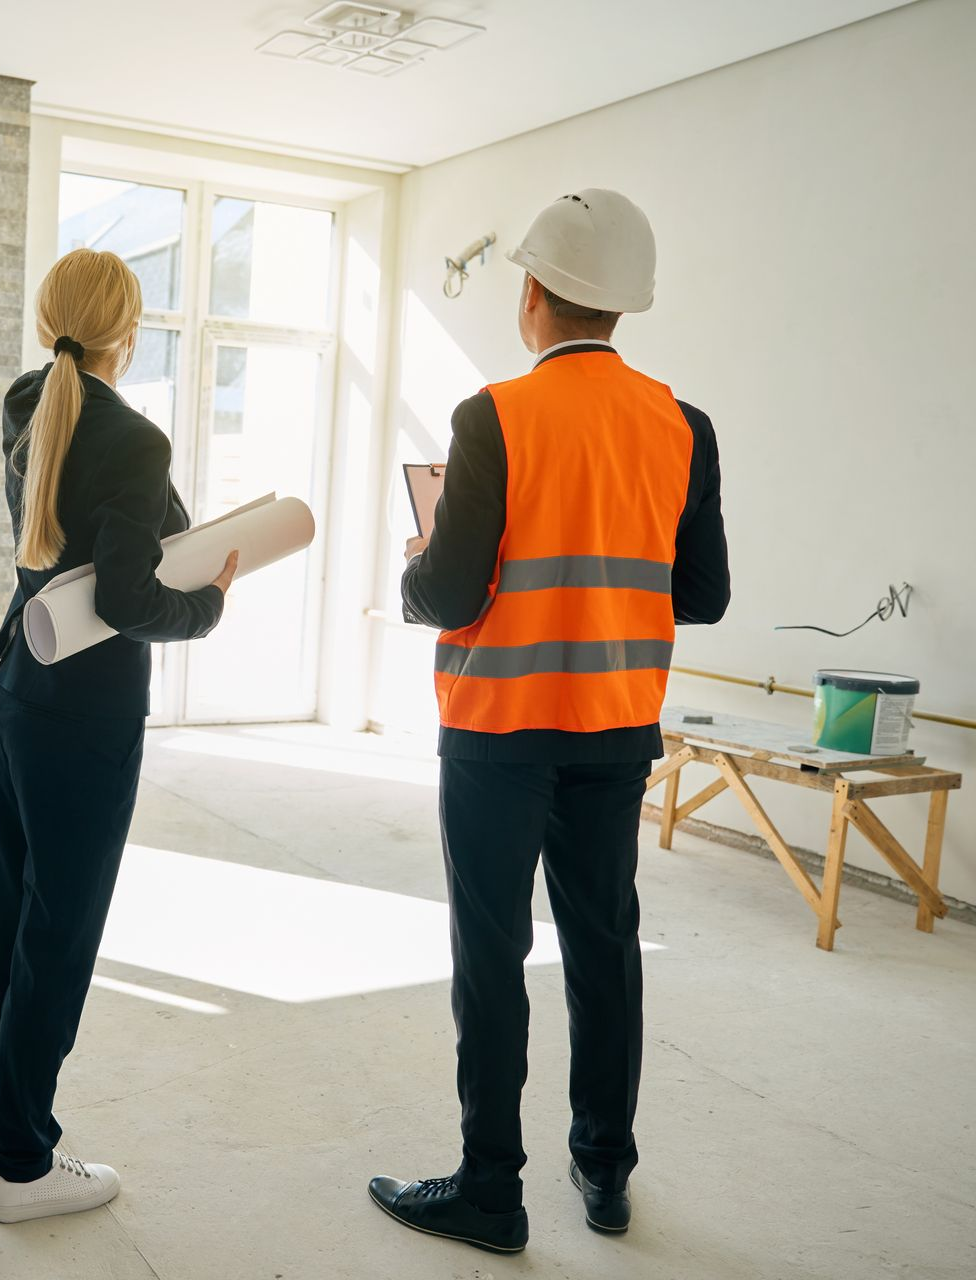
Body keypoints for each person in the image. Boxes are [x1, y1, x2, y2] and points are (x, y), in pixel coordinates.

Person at [368, 189, 730, 1254]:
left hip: (499, 729)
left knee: (493, 951)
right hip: (616, 726)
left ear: (532, 295)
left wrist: (413, 568)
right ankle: (605, 1169)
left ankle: (491, 1188)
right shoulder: (682, 425)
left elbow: (452, 589)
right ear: (623, 308)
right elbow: (699, 592)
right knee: (603, 942)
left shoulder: (493, 418)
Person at [0, 248, 238, 1224]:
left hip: (12, 694)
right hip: (81, 720)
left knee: (13, 920)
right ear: (132, 330)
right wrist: (207, 602)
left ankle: (10, 1132)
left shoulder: (24, 402)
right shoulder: (131, 437)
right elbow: (131, 597)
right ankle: (23, 1164)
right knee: (61, 930)